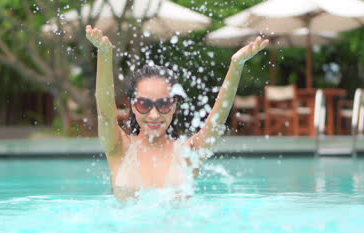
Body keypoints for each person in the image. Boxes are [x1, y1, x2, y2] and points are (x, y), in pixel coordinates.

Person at [86, 25, 268, 201]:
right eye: (144, 104)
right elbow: (106, 114)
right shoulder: (120, 148)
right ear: (133, 106)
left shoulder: (187, 153)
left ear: (174, 106)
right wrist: (104, 54)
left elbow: (217, 120)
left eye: (163, 104)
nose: (154, 115)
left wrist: (236, 65)